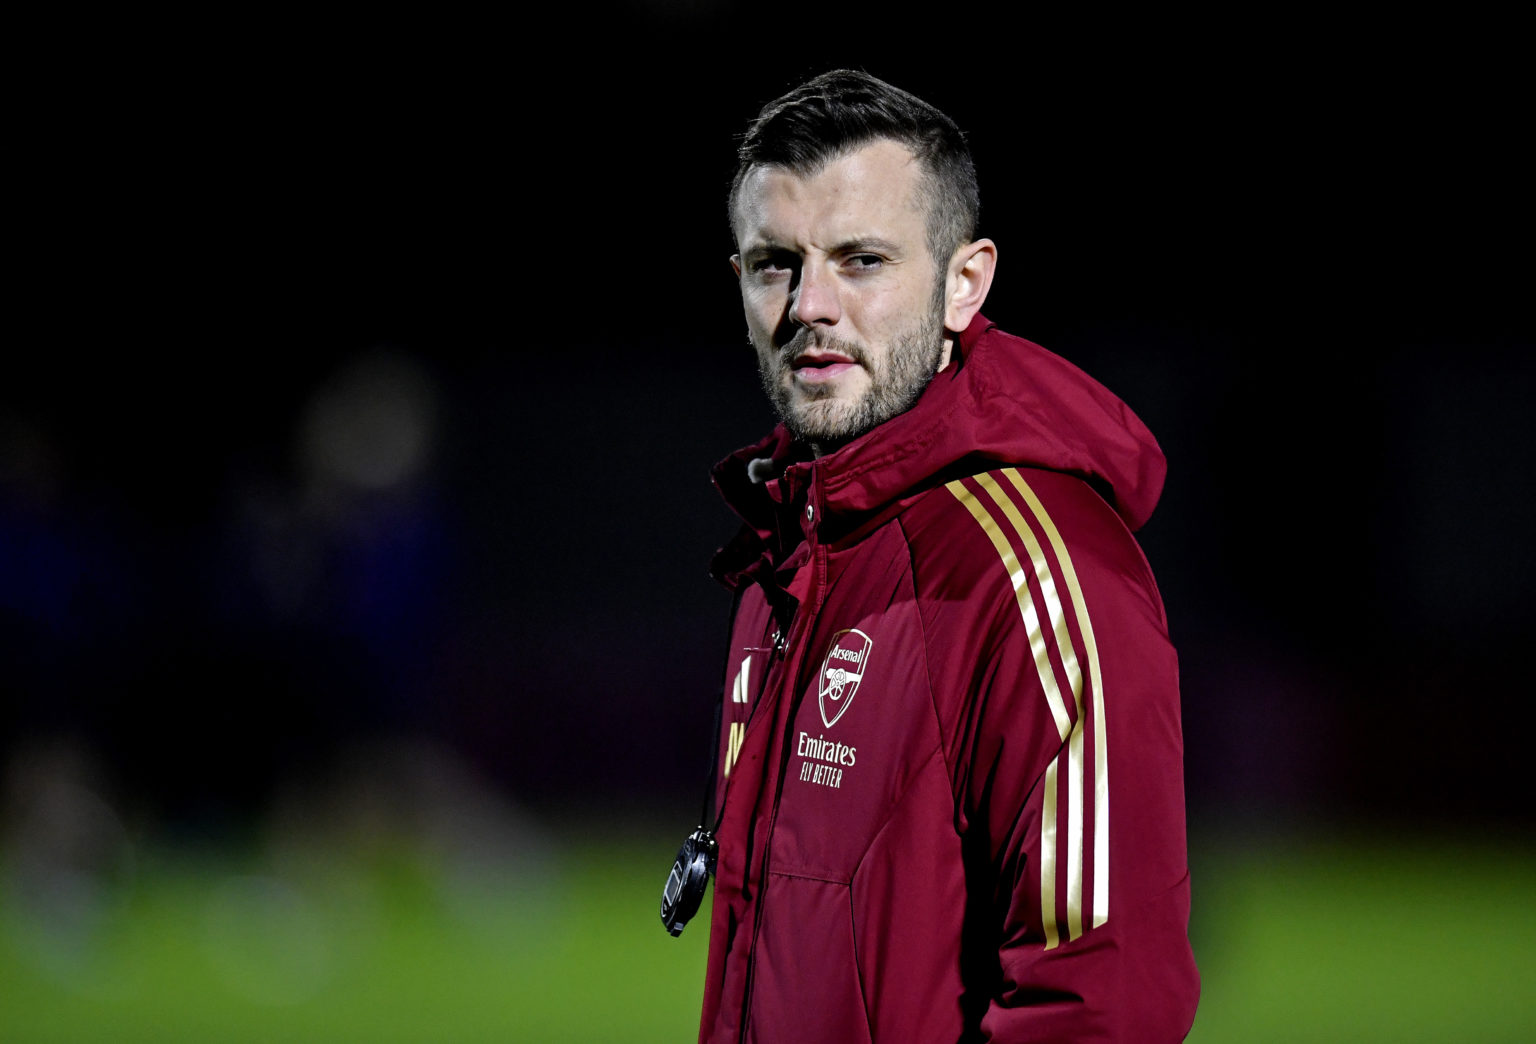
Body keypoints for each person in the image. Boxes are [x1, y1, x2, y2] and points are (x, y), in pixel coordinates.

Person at [693, 69, 1199, 1042]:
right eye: (774, 264)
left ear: (965, 283)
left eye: (862, 260)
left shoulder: (1041, 575)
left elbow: (1106, 1003)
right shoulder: (790, 546)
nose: (810, 305)